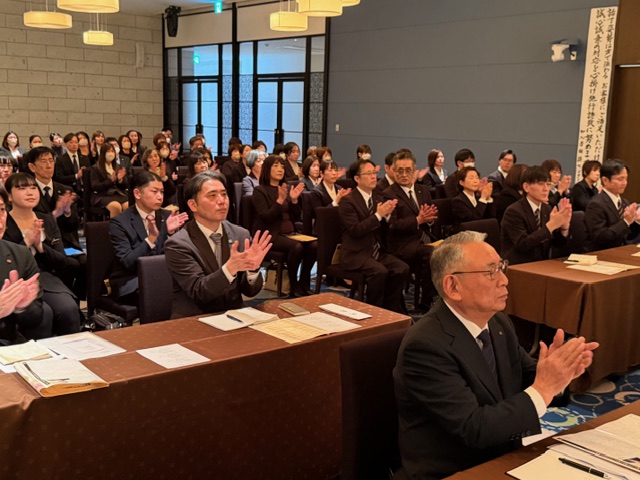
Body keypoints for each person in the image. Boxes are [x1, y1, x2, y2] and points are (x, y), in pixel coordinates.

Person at [393, 231, 598, 480]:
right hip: (454, 470)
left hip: (502, 454)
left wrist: (561, 372)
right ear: (453, 286)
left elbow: (526, 376)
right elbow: (473, 428)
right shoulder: (426, 346)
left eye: (502, 267)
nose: (504, 280)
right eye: (491, 272)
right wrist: (544, 387)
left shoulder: (498, 322)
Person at [165, 171, 271, 319]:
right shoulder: (178, 244)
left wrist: (252, 270)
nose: (222, 201)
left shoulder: (240, 234)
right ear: (193, 205)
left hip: (234, 316)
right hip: (195, 318)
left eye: (224, 194)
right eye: (212, 195)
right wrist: (230, 269)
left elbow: (250, 292)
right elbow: (199, 292)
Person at [3, 173, 83, 336]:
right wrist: (26, 241)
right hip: (14, 280)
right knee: (44, 314)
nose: (30, 192)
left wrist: (40, 246)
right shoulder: (4, 221)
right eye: (22, 188)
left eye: (33, 188)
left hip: (45, 278)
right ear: (9, 196)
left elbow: (62, 261)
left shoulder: (46, 219)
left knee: (68, 308)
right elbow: (5, 259)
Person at [339, 159, 409, 312]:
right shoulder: (348, 201)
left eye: (374, 173)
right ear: (357, 178)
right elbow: (356, 230)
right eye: (368, 173)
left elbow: (384, 229)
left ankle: (390, 309)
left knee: (401, 268)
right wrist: (378, 215)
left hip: (376, 250)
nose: (373, 177)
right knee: (379, 271)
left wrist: (387, 217)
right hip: (355, 253)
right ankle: (373, 310)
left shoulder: (378, 197)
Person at [109, 171, 188, 303]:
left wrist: (170, 234)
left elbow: (178, 257)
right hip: (132, 279)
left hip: (163, 275)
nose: (160, 197)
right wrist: (151, 239)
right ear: (137, 193)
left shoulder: (168, 217)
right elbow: (127, 263)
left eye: (162, 192)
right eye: (154, 191)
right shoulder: (120, 222)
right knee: (161, 291)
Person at [252, 155, 317, 297]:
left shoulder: (285, 188)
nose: (280, 169)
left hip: (289, 232)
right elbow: (266, 217)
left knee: (314, 245)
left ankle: (304, 281)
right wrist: (280, 201)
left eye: (282, 166)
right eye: (275, 166)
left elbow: (296, 216)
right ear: (267, 169)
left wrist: (294, 200)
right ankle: (293, 284)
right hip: (270, 234)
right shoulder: (259, 190)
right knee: (297, 247)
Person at [384, 151, 439, 309]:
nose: (404, 174)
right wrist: (417, 220)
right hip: (402, 243)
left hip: (424, 238)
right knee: (431, 254)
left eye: (408, 170)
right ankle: (426, 301)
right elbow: (392, 226)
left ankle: (442, 294)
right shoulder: (388, 194)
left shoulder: (423, 190)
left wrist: (429, 220)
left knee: (450, 250)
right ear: (393, 171)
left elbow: (430, 218)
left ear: (415, 171)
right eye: (400, 170)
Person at [500, 166, 571, 265]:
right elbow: (523, 244)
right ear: (526, 187)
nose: (546, 189)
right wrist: (550, 226)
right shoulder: (513, 211)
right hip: (518, 265)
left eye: (548, 184)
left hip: (542, 264)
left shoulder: (547, 209)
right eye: (541, 184)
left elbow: (558, 245)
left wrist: (564, 228)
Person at [0, 188, 45, 344]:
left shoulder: (20, 254)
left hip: (9, 344)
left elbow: (36, 318)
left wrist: (22, 307)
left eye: (1, 210)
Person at [28, 146, 82, 251]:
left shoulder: (65, 190)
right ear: (32, 167)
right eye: (43, 161)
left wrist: (67, 212)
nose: (49, 166)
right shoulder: (28, 192)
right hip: (40, 244)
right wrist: (55, 214)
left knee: (84, 259)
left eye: (51, 161)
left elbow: (74, 226)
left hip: (65, 242)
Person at [584, 159, 640, 251]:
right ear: (605, 180)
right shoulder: (596, 204)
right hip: (600, 253)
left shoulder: (624, 202)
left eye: (626, 179)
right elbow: (601, 238)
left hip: (620, 251)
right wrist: (626, 221)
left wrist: (636, 221)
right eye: (620, 179)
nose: (625, 183)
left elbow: (627, 235)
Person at [90, 144, 129, 218]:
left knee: (128, 206)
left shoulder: (118, 167)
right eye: (108, 151)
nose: (111, 153)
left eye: (112, 151)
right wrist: (110, 181)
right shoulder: (95, 168)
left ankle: (126, 225)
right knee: (116, 207)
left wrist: (120, 180)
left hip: (117, 194)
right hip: (102, 195)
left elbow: (125, 186)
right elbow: (95, 186)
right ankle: (115, 225)